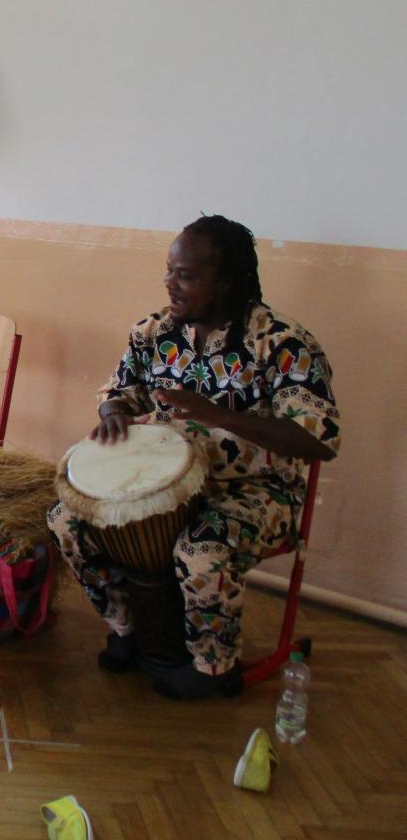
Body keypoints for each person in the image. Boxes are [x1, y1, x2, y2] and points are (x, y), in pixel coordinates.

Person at [47, 215, 339, 699]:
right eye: (169, 271)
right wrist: (113, 412)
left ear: (226, 281)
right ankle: (129, 629)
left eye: (185, 275)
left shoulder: (283, 344)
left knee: (200, 549)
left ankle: (213, 666)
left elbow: (319, 439)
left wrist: (220, 415)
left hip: (256, 492)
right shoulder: (154, 332)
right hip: (163, 485)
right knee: (66, 520)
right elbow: (118, 390)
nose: (170, 283)